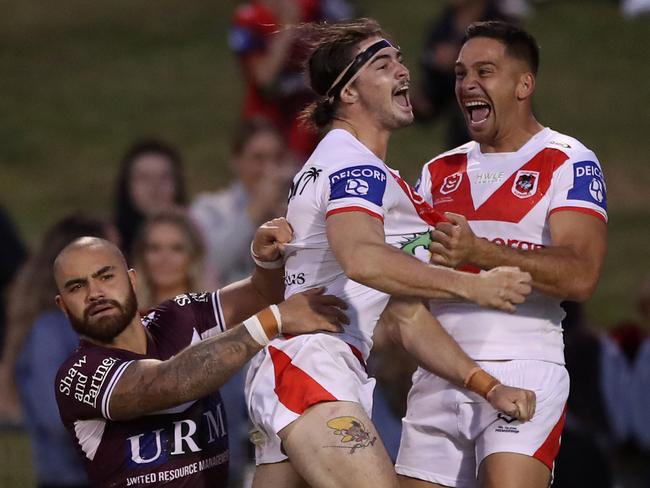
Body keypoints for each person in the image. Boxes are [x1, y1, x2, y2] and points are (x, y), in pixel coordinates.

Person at [244, 19, 535, 488]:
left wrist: (488, 387)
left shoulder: (359, 167)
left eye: (399, 58)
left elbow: (404, 314)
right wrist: (472, 284)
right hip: (312, 370)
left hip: (303, 370)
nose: (403, 71)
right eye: (383, 65)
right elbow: (363, 258)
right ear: (348, 94)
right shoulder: (352, 164)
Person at [400, 21, 608, 488]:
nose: (467, 84)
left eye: (484, 71)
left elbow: (581, 275)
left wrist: (480, 251)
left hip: (524, 362)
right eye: (459, 73)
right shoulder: (438, 171)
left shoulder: (568, 160)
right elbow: (406, 268)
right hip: (440, 371)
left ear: (524, 83)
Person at [53, 220, 347, 487]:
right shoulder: (78, 374)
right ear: (63, 306)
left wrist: (265, 261)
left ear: (131, 279)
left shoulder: (176, 316)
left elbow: (261, 294)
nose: (95, 293)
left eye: (105, 276)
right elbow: (167, 384)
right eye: (77, 287)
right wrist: (274, 320)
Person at [229, 0, 354, 160]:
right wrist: (288, 29)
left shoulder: (316, 8)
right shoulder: (250, 18)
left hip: (304, 118)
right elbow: (264, 78)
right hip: (266, 117)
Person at [191, 120, 293, 285]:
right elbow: (207, 266)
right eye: (258, 158)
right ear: (236, 161)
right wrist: (256, 209)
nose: (270, 169)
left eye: (277, 158)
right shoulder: (209, 207)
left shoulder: (298, 209)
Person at [413, 0, 509, 149]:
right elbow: (431, 102)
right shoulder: (442, 28)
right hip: (464, 137)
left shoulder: (501, 26)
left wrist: (460, 60)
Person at [114, 138, 187, 261]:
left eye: (164, 177)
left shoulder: (200, 234)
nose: (155, 187)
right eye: (144, 178)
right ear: (126, 185)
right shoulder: (112, 241)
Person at [131, 209, 210, 312]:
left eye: (176, 248)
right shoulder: (126, 320)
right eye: (154, 248)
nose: (164, 259)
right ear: (142, 256)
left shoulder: (216, 319)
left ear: (193, 257)